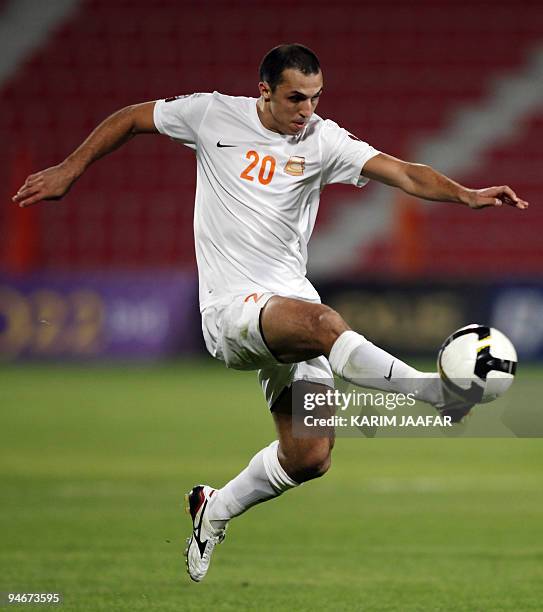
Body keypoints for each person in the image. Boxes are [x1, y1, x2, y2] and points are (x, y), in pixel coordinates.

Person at [12, 44, 528, 583]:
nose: (308, 110)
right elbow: (133, 118)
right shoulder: (212, 114)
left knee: (309, 457)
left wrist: (467, 195)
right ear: (265, 91)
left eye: (316, 97)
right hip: (231, 311)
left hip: (287, 308)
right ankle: (434, 394)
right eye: (296, 98)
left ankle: (213, 508)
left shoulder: (323, 139)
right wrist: (71, 169)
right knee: (326, 323)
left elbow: (402, 173)